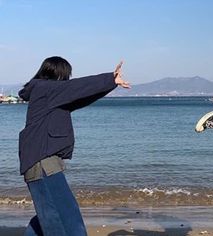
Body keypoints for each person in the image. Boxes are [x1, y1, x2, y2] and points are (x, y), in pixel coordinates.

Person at [18, 56, 130, 236]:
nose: (68, 79)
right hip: (43, 164)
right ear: (58, 75)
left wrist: (111, 84)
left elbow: (79, 97)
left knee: (46, 217)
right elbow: (74, 88)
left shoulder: (47, 95)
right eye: (66, 75)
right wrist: (109, 78)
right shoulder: (45, 89)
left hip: (39, 163)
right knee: (69, 221)